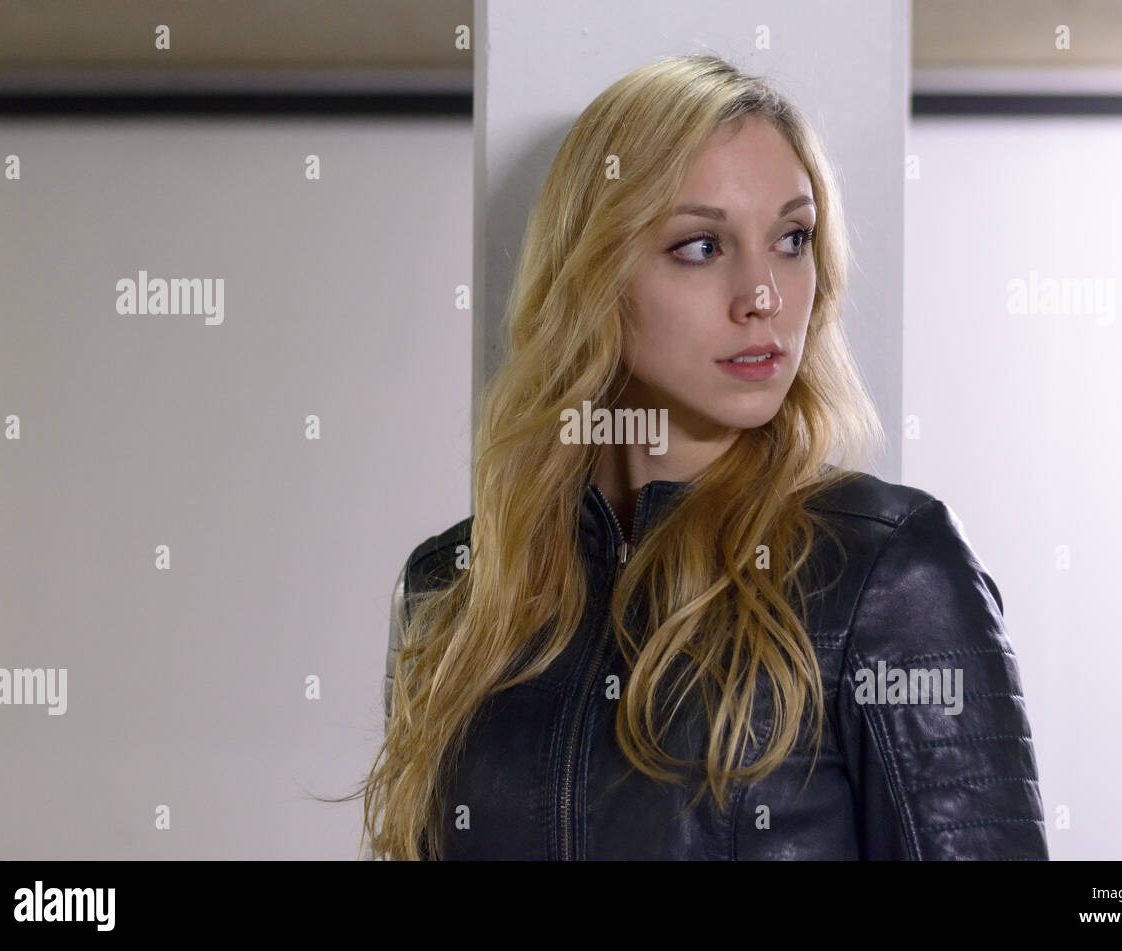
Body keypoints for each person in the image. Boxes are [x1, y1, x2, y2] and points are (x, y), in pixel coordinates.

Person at [358, 53, 1049, 861]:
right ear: (593, 275)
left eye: (792, 238)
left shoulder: (885, 573)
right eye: (701, 246)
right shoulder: (455, 587)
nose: (763, 293)